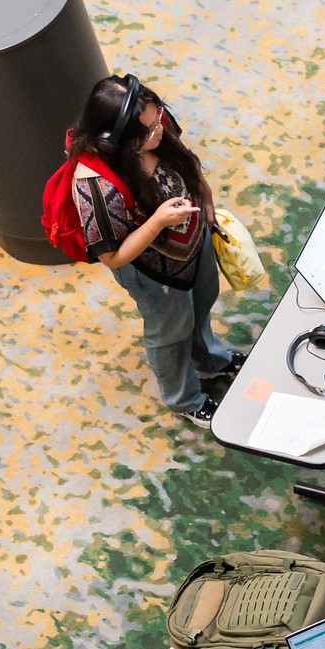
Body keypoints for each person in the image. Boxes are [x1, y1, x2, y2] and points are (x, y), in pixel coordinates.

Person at [67, 74, 246, 427]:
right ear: (114, 142)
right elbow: (113, 257)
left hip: (194, 241)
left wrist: (206, 202)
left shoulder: (155, 124)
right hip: (150, 269)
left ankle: (209, 359)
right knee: (170, 331)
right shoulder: (95, 185)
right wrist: (158, 222)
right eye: (149, 130)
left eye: (158, 117)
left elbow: (186, 161)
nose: (160, 129)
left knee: (202, 301)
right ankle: (184, 398)